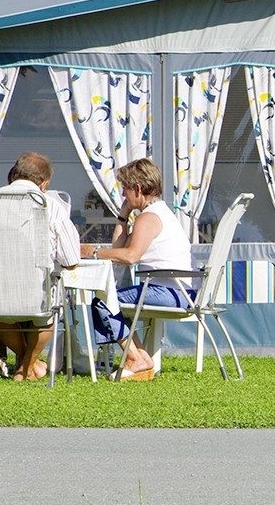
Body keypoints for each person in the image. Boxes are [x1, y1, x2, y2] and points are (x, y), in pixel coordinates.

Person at [80, 157, 192, 382]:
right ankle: (140, 358)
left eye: (125, 188)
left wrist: (92, 251)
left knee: (103, 301)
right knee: (109, 299)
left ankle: (136, 359)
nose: (123, 194)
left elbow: (130, 257)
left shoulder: (149, 218)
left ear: (138, 189)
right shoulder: (156, 213)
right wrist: (123, 215)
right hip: (179, 291)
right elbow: (119, 247)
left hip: (170, 291)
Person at [0, 152, 82, 381]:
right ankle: (28, 367)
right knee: (46, 315)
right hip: (37, 293)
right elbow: (71, 261)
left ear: (15, 175)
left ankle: (27, 365)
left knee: (1, 316)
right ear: (44, 184)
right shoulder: (51, 206)